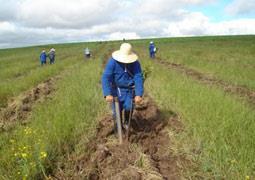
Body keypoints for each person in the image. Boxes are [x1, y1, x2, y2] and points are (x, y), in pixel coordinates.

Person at [102, 43, 144, 132]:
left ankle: (126, 122)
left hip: (129, 90)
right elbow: (106, 77)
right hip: (115, 90)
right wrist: (107, 93)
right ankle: (118, 127)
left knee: (129, 107)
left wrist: (138, 94)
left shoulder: (135, 63)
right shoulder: (112, 62)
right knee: (116, 111)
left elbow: (138, 77)